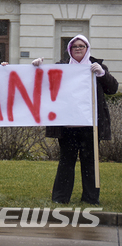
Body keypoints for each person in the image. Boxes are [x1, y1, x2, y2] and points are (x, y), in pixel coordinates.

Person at [32, 34, 118, 205]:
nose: (78, 49)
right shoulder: (62, 67)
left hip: (90, 126)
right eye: (74, 46)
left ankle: (90, 198)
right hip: (68, 126)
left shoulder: (96, 66)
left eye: (82, 46)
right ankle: (60, 198)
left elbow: (113, 89)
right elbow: (43, 84)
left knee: (90, 163)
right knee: (66, 162)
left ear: (87, 49)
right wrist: (38, 68)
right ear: (69, 49)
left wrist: (102, 74)